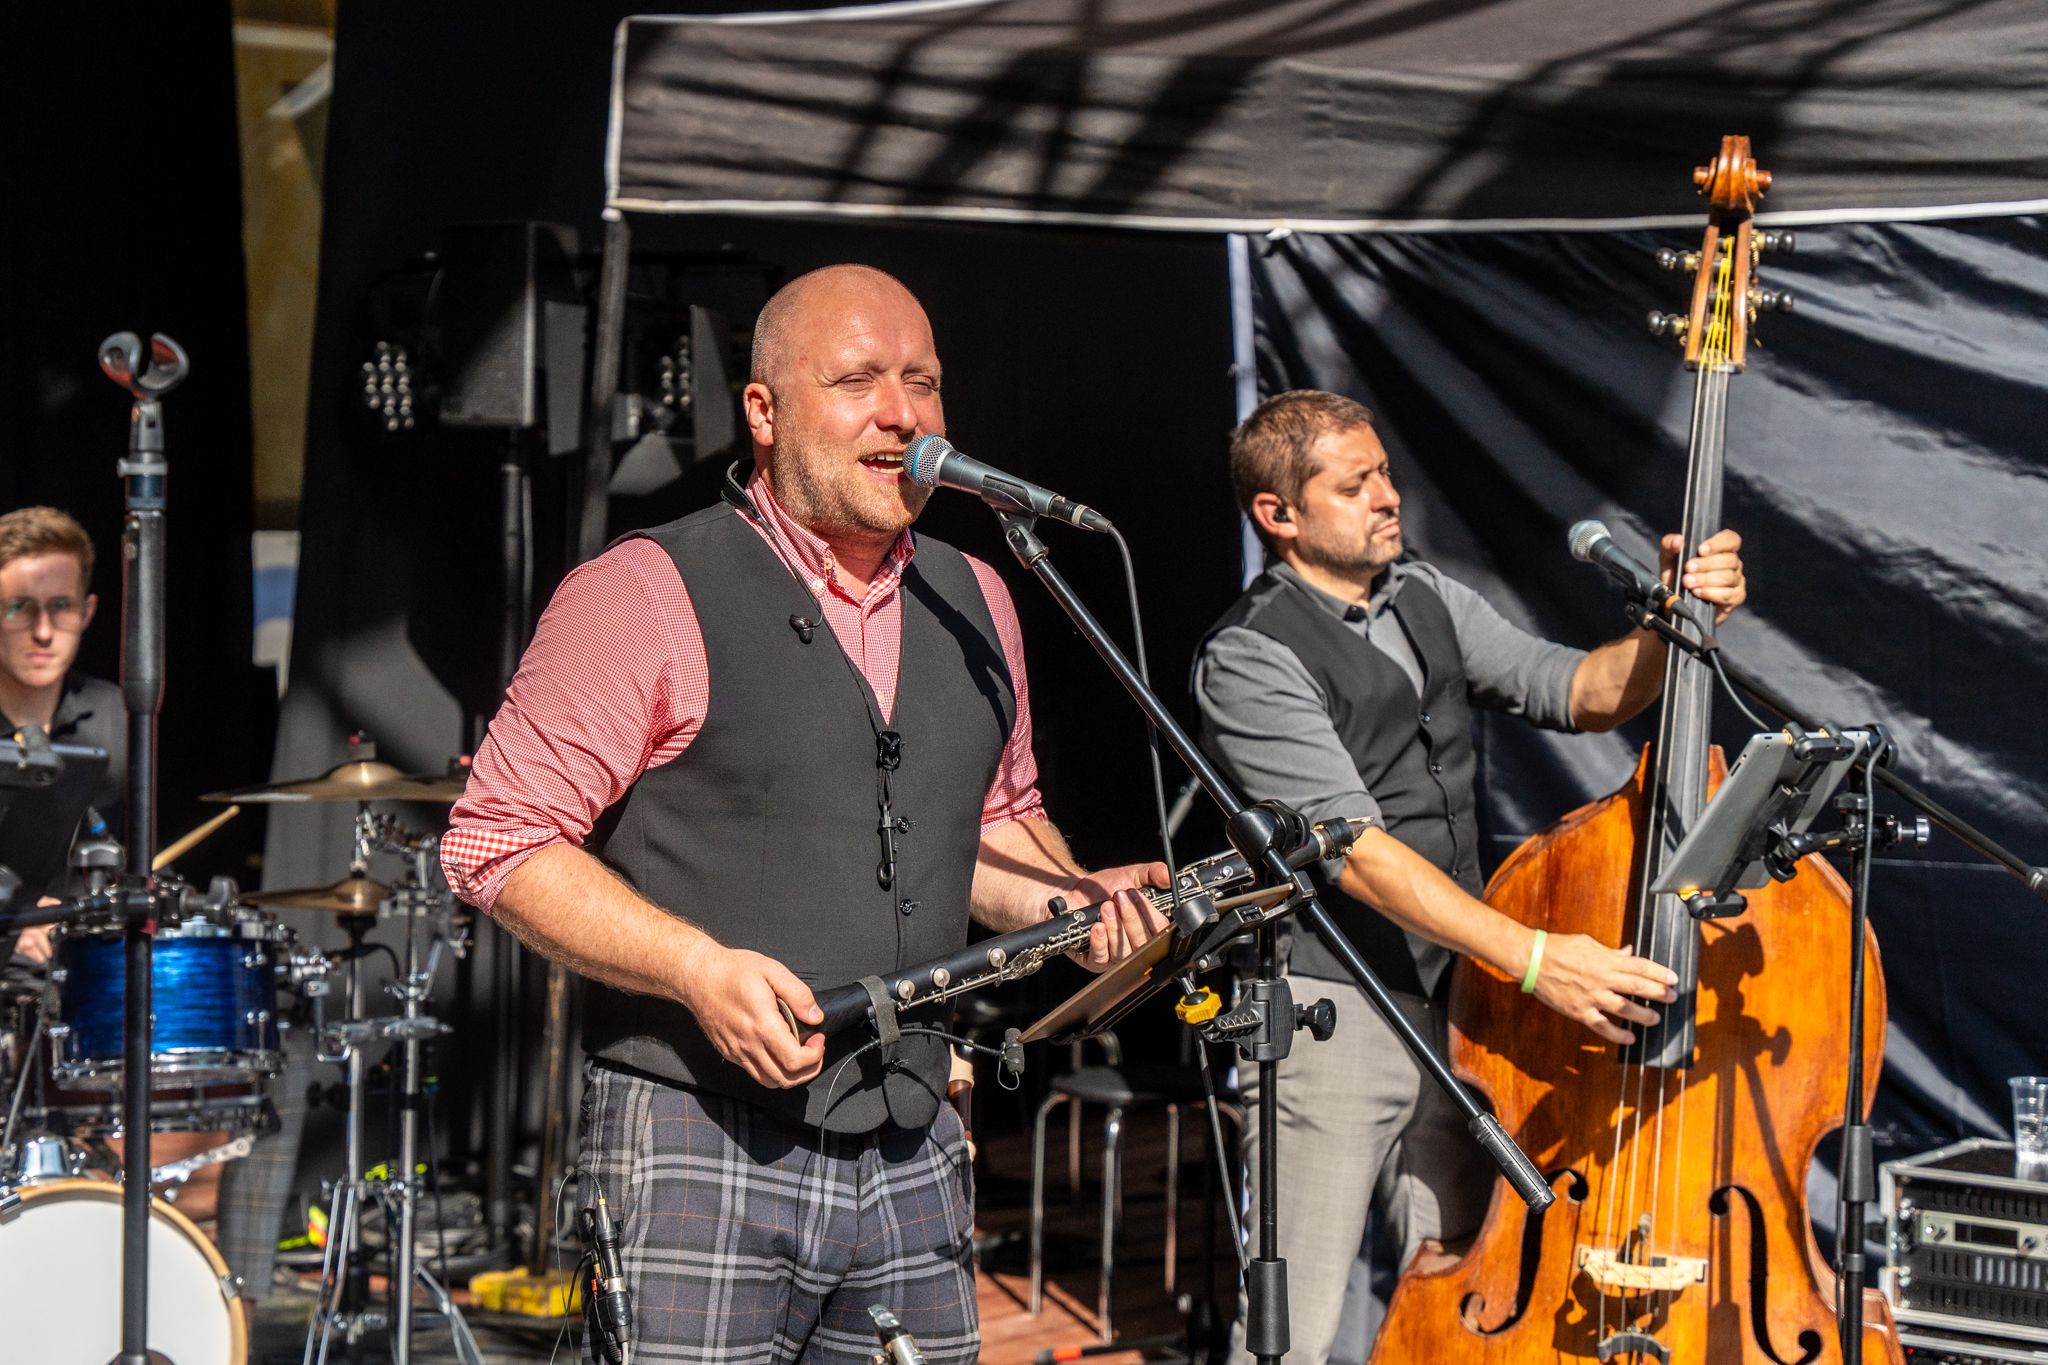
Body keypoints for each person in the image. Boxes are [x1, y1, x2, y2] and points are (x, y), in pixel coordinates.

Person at [443, 264, 1169, 1365]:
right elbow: (498, 841)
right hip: (698, 1135)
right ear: (765, 410)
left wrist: (1075, 902)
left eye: (922, 382)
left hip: (914, 1137)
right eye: (857, 380)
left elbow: (988, 822)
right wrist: (696, 968)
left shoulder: (980, 595)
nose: (901, 413)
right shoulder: (644, 590)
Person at [1192, 390, 1748, 1365]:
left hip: (1458, 1007)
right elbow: (1357, 853)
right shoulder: (1248, 655)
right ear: (1277, 514)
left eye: (1383, 473)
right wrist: (1535, 959)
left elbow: (1580, 692)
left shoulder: (1424, 594)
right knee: (1293, 1333)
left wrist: (1677, 619)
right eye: (1353, 485)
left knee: (1457, 1306)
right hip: (1332, 1011)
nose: (1386, 497)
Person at [0, 505, 124, 965]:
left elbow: (134, 865)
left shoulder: (114, 713)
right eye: (19, 608)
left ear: (87, 611)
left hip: (80, 976)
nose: (43, 632)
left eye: (61, 607)